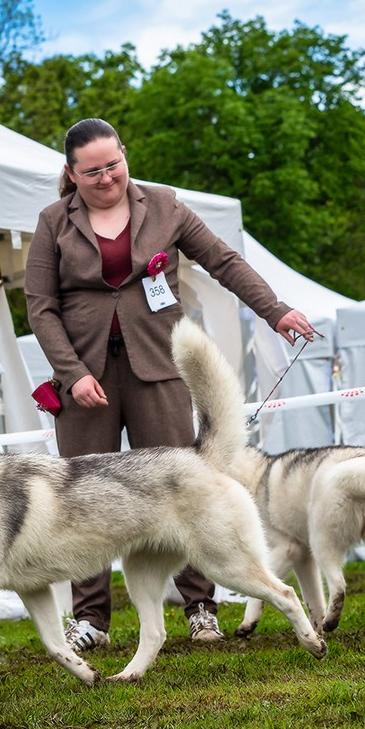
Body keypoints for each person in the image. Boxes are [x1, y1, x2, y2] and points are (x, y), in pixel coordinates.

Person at [24, 117, 319, 653]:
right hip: (84, 376)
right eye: (92, 171)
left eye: (113, 164)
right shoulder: (52, 221)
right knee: (80, 498)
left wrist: (275, 311)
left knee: (184, 487)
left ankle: (200, 606)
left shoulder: (165, 205)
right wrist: (72, 374)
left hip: (159, 366)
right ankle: (91, 617)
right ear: (71, 173)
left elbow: (224, 262)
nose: (106, 177)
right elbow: (40, 306)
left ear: (125, 155)